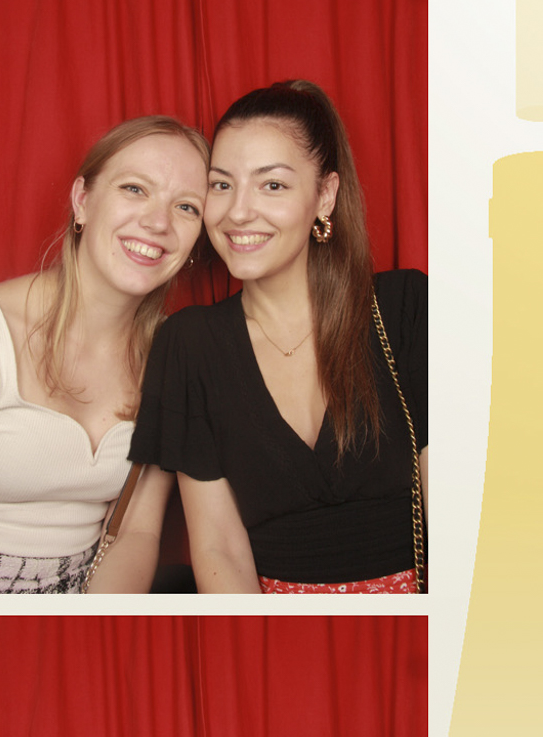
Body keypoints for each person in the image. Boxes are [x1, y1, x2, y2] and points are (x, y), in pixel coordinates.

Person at [116, 80, 427, 594]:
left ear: (325, 195)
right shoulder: (191, 344)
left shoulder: (406, 307)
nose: (238, 211)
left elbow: (459, 508)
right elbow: (218, 547)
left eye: (273, 185)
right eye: (221, 185)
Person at [0, 117, 209, 594]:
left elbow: (137, 533)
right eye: (135, 189)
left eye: (186, 206)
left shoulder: (173, 357)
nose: (158, 222)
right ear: (82, 201)